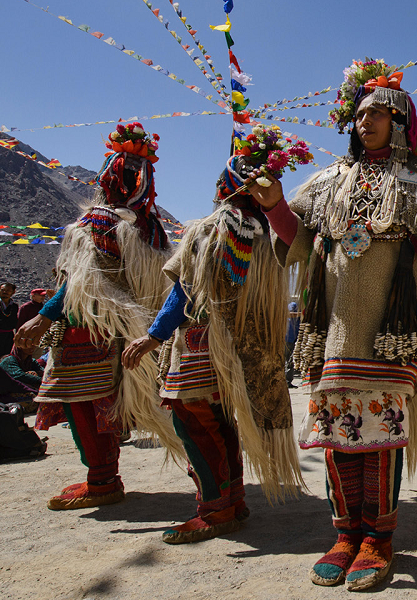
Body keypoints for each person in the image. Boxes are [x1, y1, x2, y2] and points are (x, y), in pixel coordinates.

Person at [259, 59, 417, 591]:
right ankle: (344, 533)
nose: (365, 122)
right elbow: (300, 240)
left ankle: (379, 538)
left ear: (399, 122)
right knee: (335, 435)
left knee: (378, 435)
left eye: (377, 113)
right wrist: (276, 205)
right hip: (333, 329)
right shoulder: (329, 181)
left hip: (391, 330)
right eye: (359, 114)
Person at [122, 153, 308, 544]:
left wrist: (154, 335)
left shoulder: (208, 229)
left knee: (193, 419)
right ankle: (233, 500)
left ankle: (216, 509)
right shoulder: (269, 232)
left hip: (201, 343)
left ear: (224, 185)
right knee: (222, 422)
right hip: (247, 346)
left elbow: (185, 289)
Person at [13, 123, 180, 511]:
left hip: (86, 333)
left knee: (85, 407)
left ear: (108, 177)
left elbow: (82, 282)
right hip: (123, 331)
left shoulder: (97, 223)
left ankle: (102, 480)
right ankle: (106, 477)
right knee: (108, 405)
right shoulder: (150, 230)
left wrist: (43, 317)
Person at [286, 300, 301, 387]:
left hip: (290, 338)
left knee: (288, 359)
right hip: (290, 339)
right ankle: (287, 381)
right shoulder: (293, 316)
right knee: (289, 360)